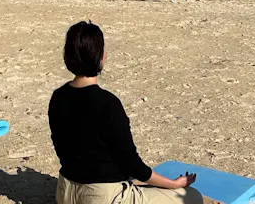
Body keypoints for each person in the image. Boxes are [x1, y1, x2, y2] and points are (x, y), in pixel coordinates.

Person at [49, 22, 204, 204]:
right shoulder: (108, 104)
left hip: (64, 192)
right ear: (99, 55)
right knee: (193, 197)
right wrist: (173, 184)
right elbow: (133, 165)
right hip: (102, 197)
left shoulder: (58, 97)